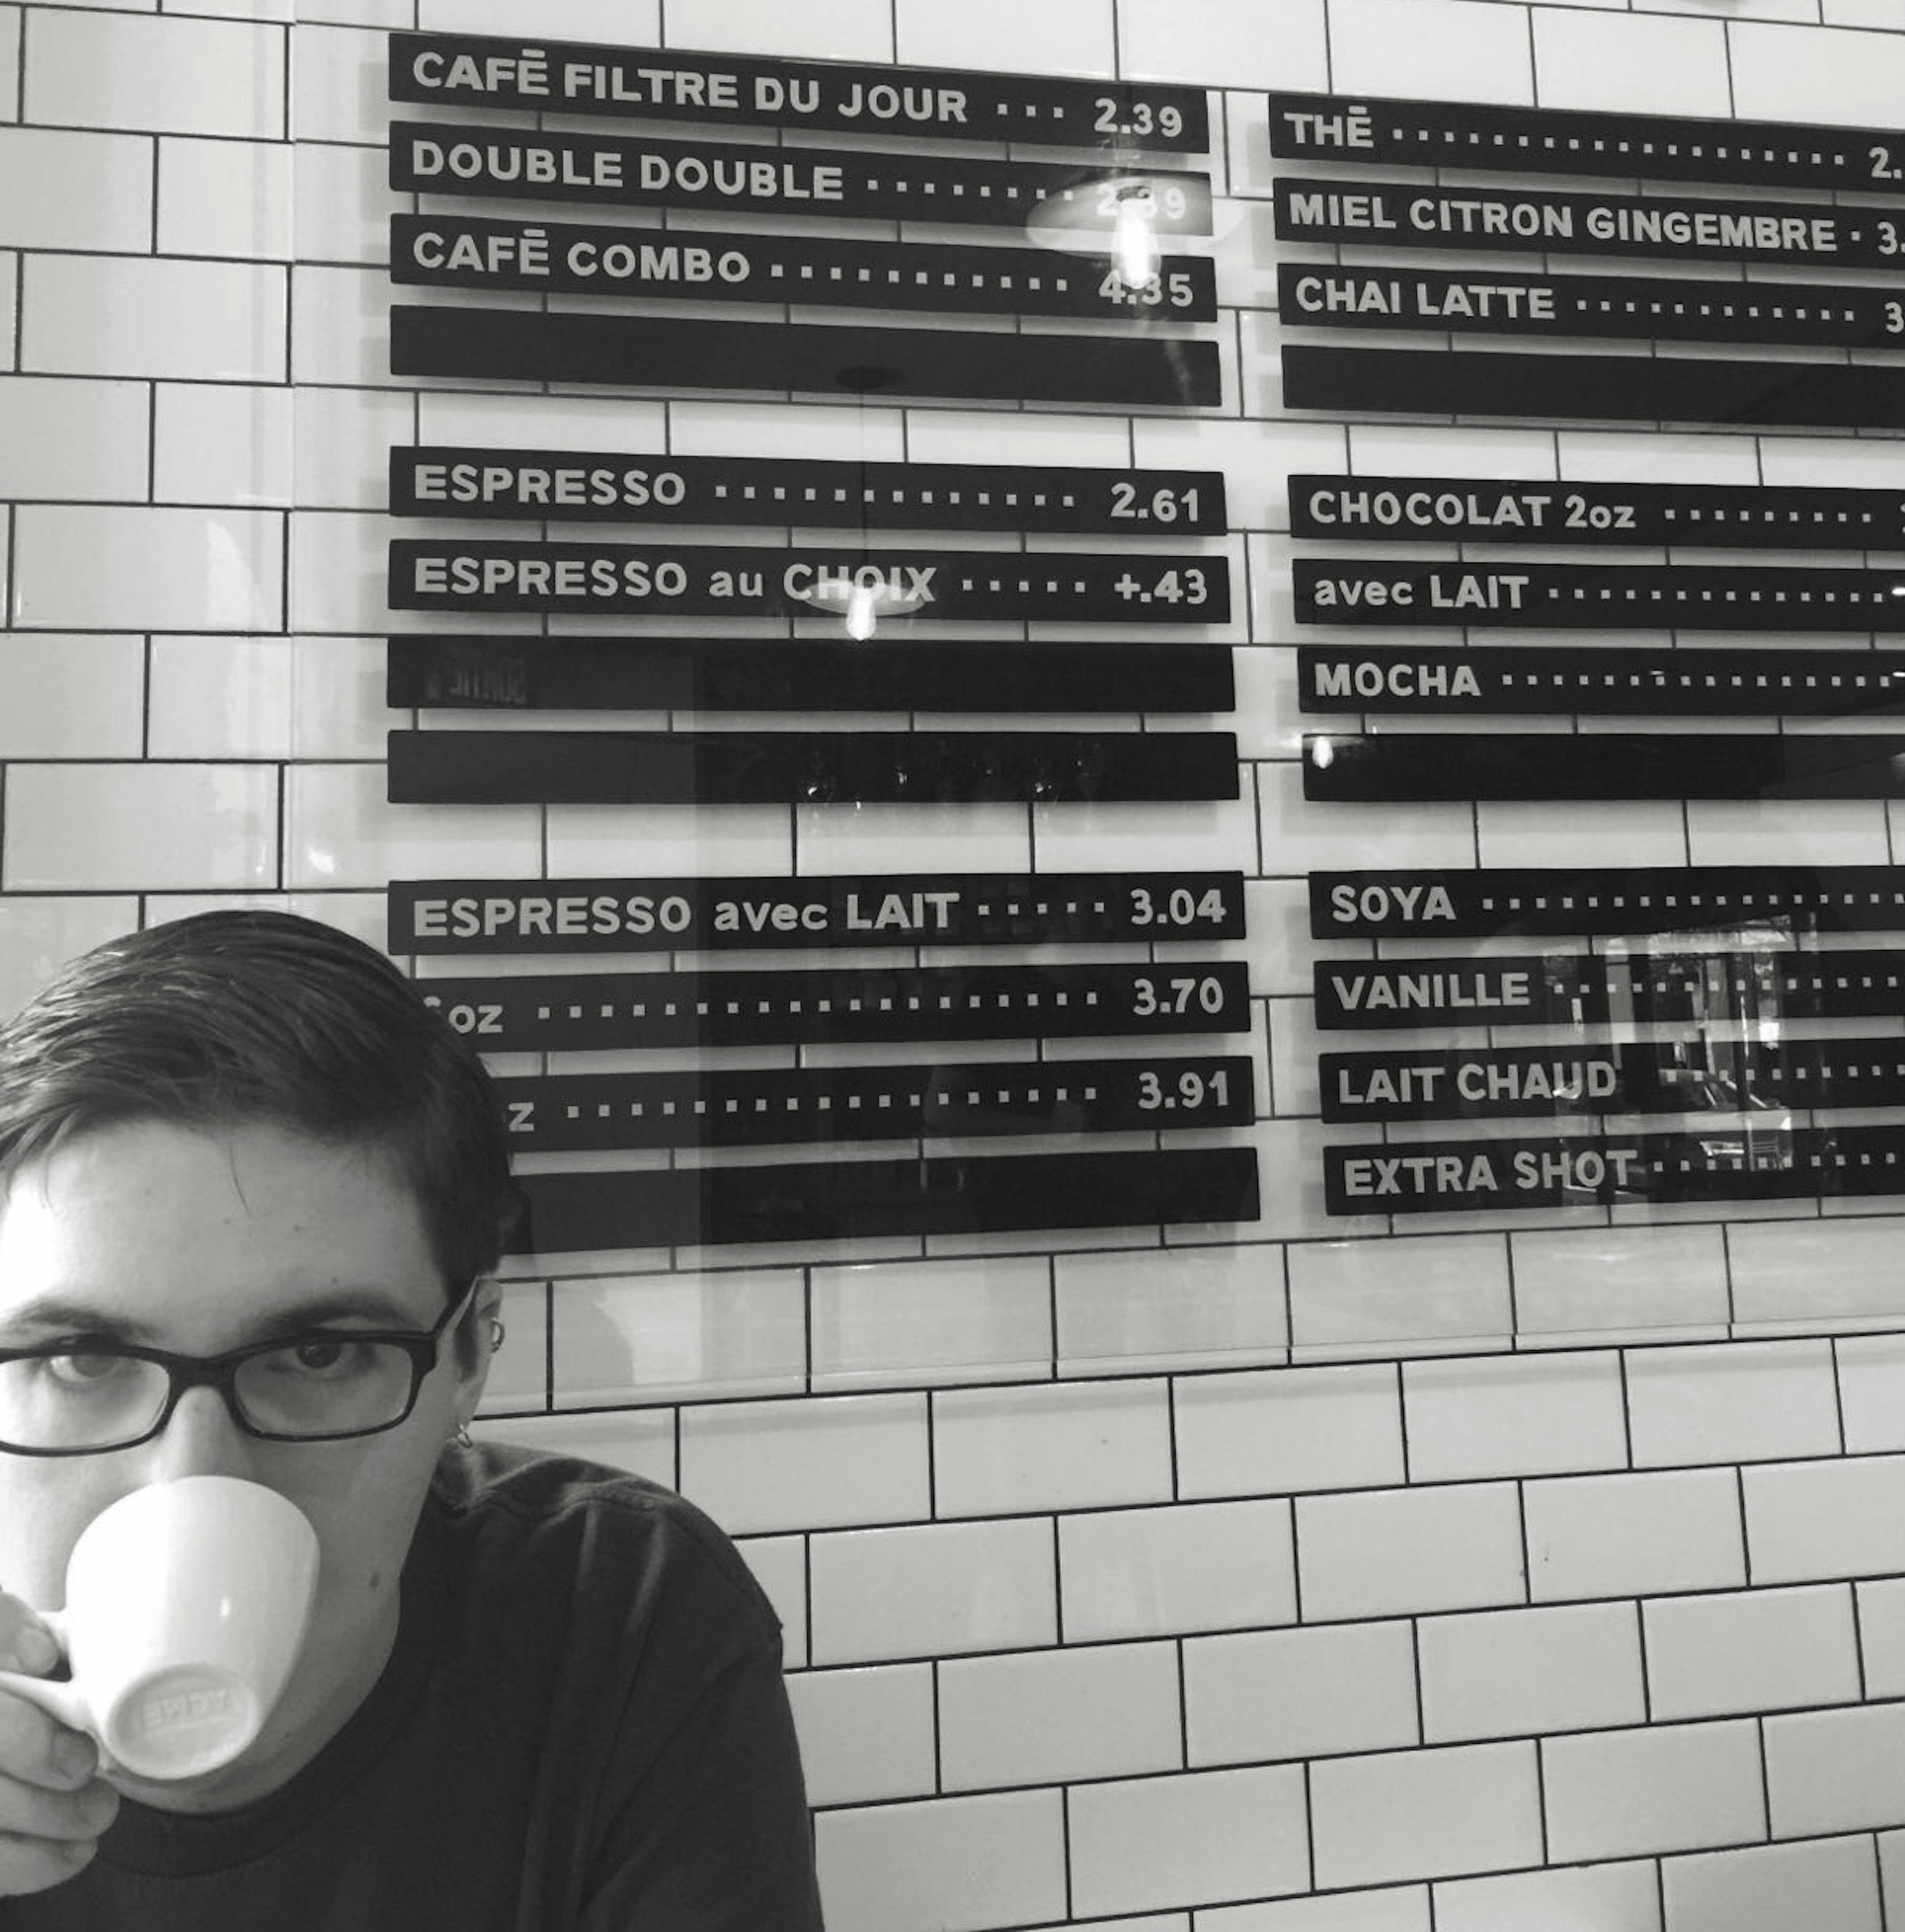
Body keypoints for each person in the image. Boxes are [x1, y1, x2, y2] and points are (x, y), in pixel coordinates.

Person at [0, 910, 824, 1929]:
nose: (191, 1479)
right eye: (85, 1360)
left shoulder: (619, 1619)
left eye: (318, 1355)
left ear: (469, 1355)